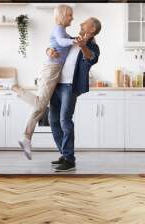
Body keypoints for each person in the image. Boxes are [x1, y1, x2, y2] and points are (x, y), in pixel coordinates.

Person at [0, 4, 76, 160]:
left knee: (40, 106)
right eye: (70, 15)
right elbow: (60, 41)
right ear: (61, 16)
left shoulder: (64, 32)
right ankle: (13, 85)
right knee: (40, 104)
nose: (72, 17)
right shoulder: (58, 29)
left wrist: (74, 40)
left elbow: (60, 42)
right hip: (51, 69)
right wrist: (73, 42)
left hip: (54, 70)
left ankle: (26, 138)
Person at [48, 17, 101, 172]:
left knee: (65, 120)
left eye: (84, 23)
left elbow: (90, 58)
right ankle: (65, 155)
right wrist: (49, 51)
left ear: (91, 29)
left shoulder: (93, 47)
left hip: (70, 87)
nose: (80, 24)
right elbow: (53, 46)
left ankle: (69, 159)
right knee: (53, 121)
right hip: (56, 84)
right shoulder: (70, 40)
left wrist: (84, 47)